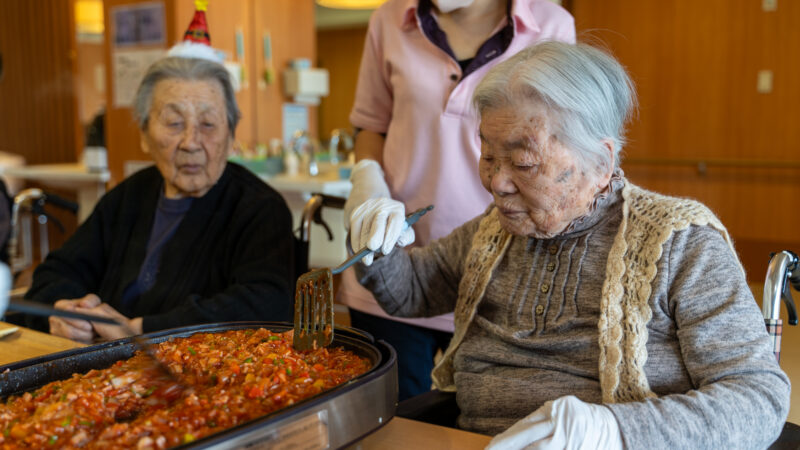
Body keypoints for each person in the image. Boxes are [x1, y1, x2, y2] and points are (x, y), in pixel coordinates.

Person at [352, 41, 790, 448]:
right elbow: (413, 290)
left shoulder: (680, 242)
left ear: (601, 162)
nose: (496, 183)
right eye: (487, 156)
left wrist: (614, 431)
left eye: (523, 162)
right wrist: (375, 245)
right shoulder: (493, 232)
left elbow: (758, 398)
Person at [342, 0, 576, 401]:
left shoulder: (550, 25)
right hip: (394, 263)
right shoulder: (389, 20)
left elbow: (560, 144)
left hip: (497, 271)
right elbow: (370, 125)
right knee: (393, 424)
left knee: (482, 421)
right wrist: (368, 182)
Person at [24, 55, 295, 343]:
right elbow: (55, 275)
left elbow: (266, 305)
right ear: (144, 133)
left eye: (208, 124)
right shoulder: (127, 196)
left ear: (230, 136)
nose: (191, 142)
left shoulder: (260, 208)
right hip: (102, 366)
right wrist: (66, 311)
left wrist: (140, 330)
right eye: (174, 122)